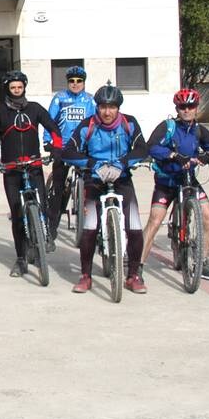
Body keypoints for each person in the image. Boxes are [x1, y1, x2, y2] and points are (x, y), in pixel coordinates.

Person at [62, 84, 149, 294]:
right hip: (94, 180)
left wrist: (123, 162)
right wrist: (92, 164)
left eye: (111, 107)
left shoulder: (129, 123)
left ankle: (133, 276)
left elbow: (142, 149)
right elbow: (68, 152)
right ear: (97, 107)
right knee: (90, 229)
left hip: (122, 179)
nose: (107, 112)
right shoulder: (87, 125)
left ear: (118, 108)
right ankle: (85, 275)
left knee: (135, 228)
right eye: (102, 107)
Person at [140, 88, 209, 281]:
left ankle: (201, 262)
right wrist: (172, 155)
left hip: (189, 180)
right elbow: (151, 146)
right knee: (155, 221)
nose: (187, 110)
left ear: (197, 108)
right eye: (182, 107)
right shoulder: (168, 126)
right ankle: (137, 268)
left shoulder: (198, 130)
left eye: (191, 106)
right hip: (167, 181)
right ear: (177, 108)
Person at [0, 70, 60, 278]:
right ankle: (21, 259)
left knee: (43, 204)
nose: (16, 90)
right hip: (11, 170)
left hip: (33, 166)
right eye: (13, 87)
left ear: (24, 87)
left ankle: (45, 235)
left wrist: (56, 148)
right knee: (16, 215)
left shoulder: (34, 109)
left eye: (19, 87)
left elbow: (53, 127)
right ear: (7, 89)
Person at [45, 65, 96, 231]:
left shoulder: (90, 100)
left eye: (79, 81)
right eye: (71, 81)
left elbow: (97, 122)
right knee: (59, 188)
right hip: (63, 146)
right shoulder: (59, 98)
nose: (75, 84)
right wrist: (49, 142)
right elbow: (49, 121)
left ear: (84, 82)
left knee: (93, 183)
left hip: (82, 146)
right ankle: (51, 227)